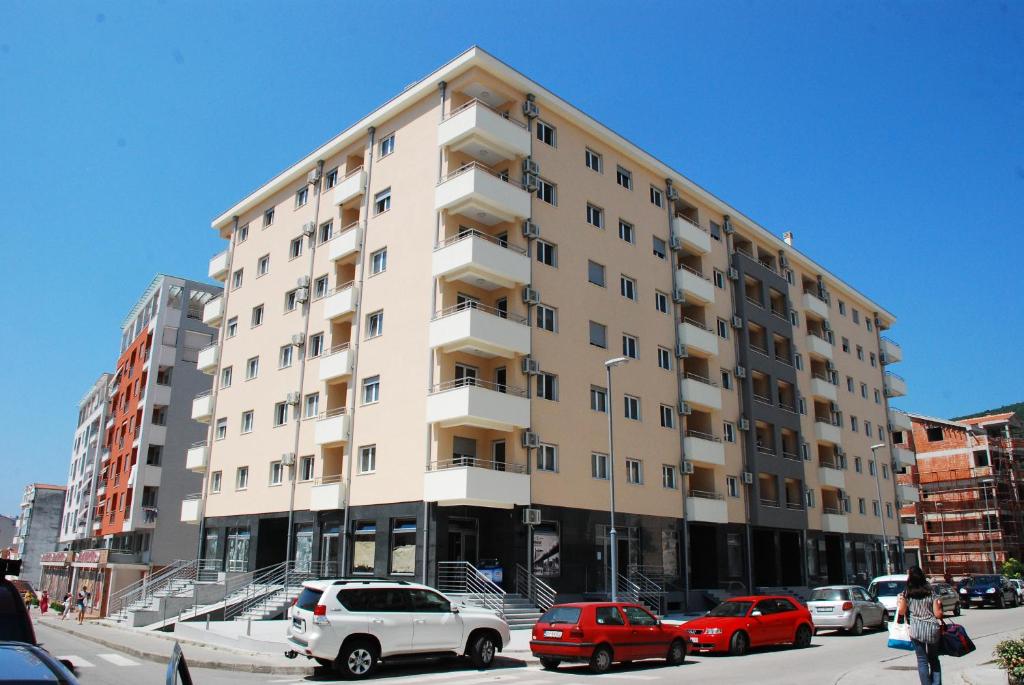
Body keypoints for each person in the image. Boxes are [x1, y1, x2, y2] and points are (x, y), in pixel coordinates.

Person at [898, 565, 943, 685]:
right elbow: (938, 614)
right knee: (934, 659)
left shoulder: (907, 593)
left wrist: (901, 601)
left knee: (922, 660)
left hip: (916, 629)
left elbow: (901, 612)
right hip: (932, 629)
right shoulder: (931, 591)